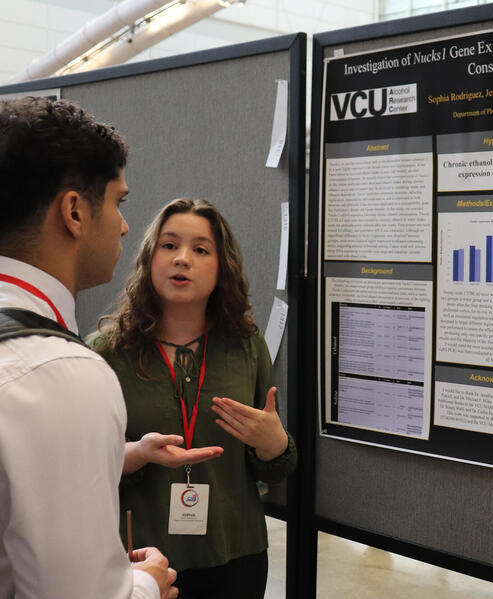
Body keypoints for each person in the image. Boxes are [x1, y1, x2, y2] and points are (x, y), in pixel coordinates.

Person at [0, 97, 177, 599]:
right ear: (75, 211)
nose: (124, 226)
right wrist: (144, 583)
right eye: (119, 202)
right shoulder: (60, 371)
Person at [89, 197, 297, 599]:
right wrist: (138, 452)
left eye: (200, 250)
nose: (182, 259)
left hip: (237, 551)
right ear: (150, 258)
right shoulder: (105, 352)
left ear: (222, 269)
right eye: (169, 246)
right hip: (141, 560)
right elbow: (81, 467)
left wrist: (275, 445)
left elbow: (272, 468)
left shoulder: (247, 345)